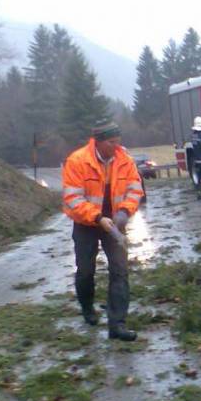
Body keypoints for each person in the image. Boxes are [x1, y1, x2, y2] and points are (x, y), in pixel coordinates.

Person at [61, 120, 143, 341]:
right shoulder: (77, 161)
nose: (116, 146)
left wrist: (124, 213)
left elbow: (135, 189)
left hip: (115, 224)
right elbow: (73, 199)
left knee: (120, 270)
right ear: (98, 142)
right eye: (111, 142)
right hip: (86, 224)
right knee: (86, 271)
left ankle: (117, 325)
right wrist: (97, 217)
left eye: (118, 141)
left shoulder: (125, 159)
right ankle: (87, 308)